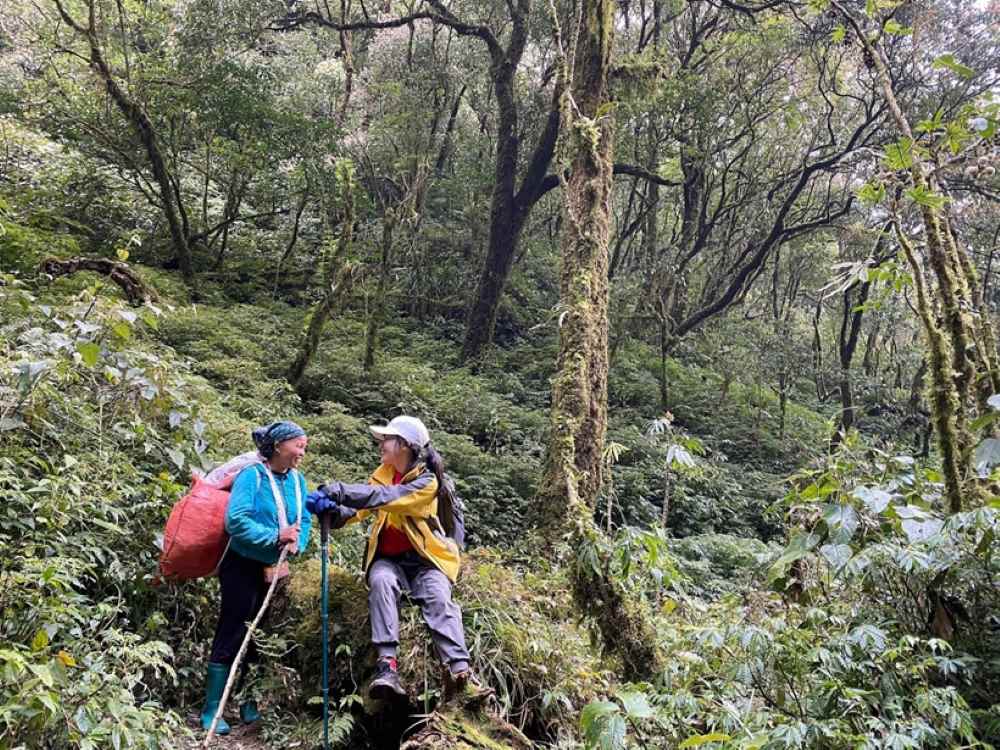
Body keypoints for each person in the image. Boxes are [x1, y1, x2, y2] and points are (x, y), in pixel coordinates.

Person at [307, 415, 484, 702]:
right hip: (388, 560)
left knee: (439, 598)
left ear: (404, 445)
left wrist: (340, 490)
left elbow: (387, 498)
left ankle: (460, 672)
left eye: (385, 440)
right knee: (380, 581)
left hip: (426, 561)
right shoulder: (383, 473)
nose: (380, 445)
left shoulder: (427, 481)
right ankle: (387, 667)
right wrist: (332, 513)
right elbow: (359, 511)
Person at [201, 421, 312, 735]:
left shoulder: (298, 480)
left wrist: (296, 542)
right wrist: (276, 535)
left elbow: (303, 518)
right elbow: (236, 520)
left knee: (261, 636)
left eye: (304, 446)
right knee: (233, 629)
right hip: (241, 565)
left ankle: (248, 702)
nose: (302, 452)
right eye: (298, 446)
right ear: (278, 446)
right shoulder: (252, 476)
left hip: (275, 569)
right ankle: (212, 709)